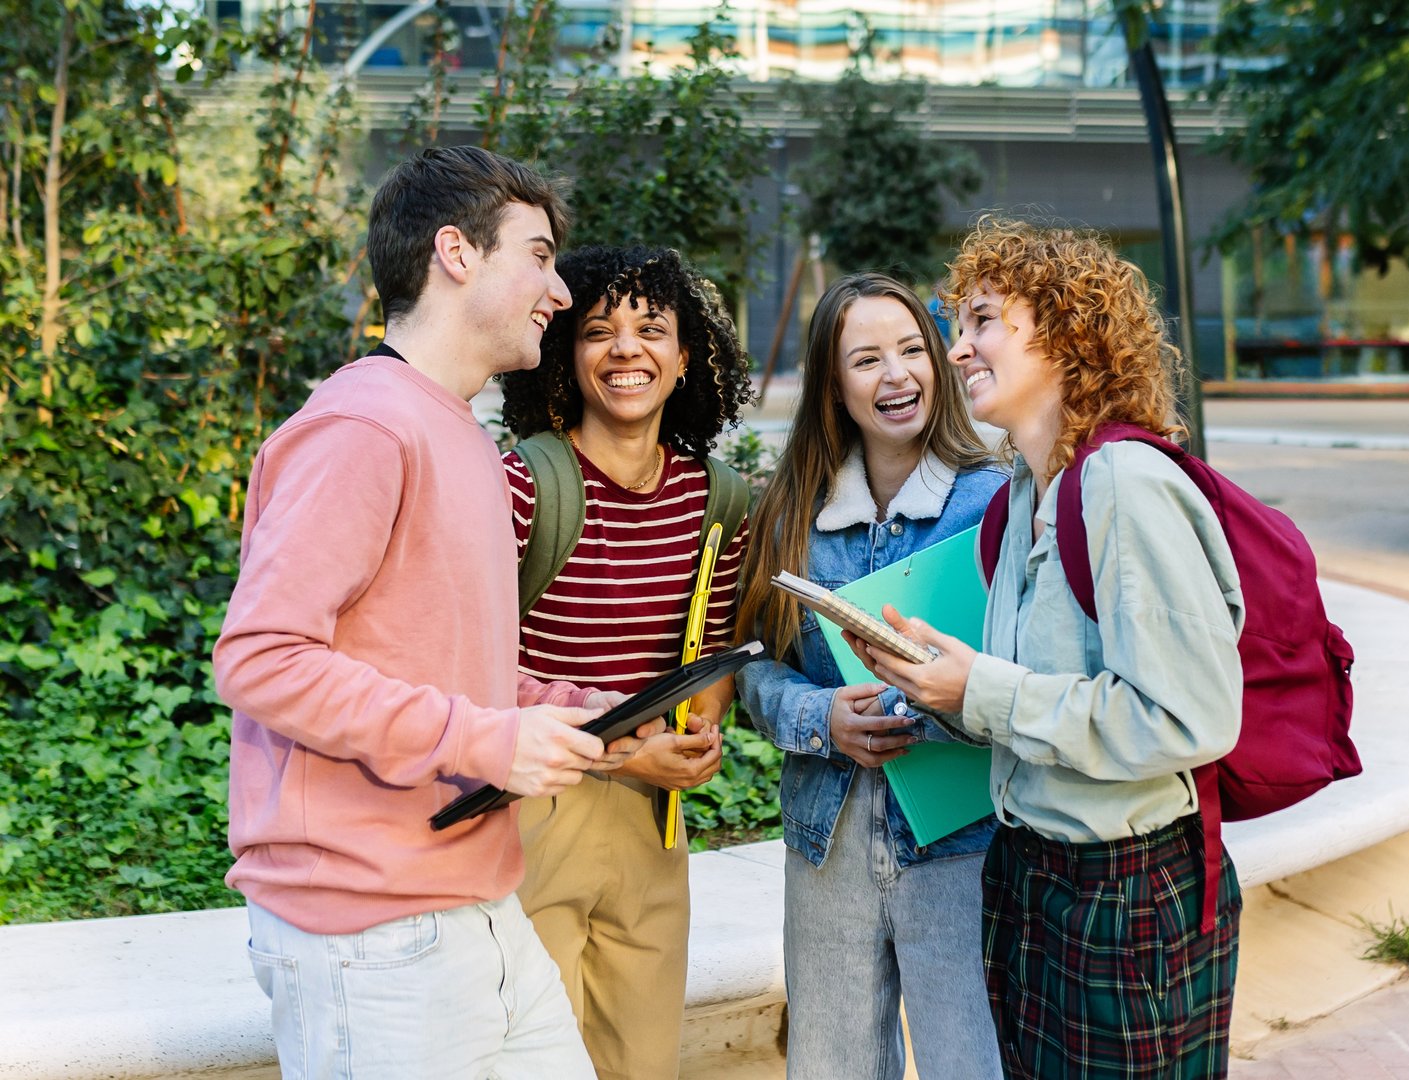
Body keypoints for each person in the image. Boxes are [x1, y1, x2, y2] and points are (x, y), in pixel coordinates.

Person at [214, 145, 663, 1078]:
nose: (559, 291)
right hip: (368, 934)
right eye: (538, 257)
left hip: (482, 907)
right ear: (456, 252)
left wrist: (558, 709)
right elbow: (260, 660)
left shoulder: (456, 430)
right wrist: (483, 740)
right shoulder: (362, 426)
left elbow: (438, 666)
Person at [853, 217, 1246, 1078]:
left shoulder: (1123, 484)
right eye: (959, 326)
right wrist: (936, 686)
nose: (958, 351)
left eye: (983, 321)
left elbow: (1192, 716)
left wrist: (981, 690)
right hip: (1032, 876)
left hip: (1124, 889)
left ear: (1066, 332)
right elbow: (1039, 697)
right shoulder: (1028, 492)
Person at [732, 272, 1006, 1080]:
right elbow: (755, 672)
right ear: (832, 385)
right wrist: (823, 717)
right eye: (866, 360)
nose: (897, 375)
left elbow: (1022, 678)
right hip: (829, 845)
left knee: (971, 1063)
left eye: (912, 350)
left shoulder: (993, 503)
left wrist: (935, 696)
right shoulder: (789, 511)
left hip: (961, 847)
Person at [499, 243, 755, 1080]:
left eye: (652, 329)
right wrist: (618, 746)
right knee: (530, 1059)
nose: (626, 350)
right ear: (567, 357)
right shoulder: (525, 483)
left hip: (654, 820)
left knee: (642, 1064)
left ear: (686, 359)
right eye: (598, 331)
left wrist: (703, 721)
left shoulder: (717, 498)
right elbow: (469, 664)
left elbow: (714, 645)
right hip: (536, 808)